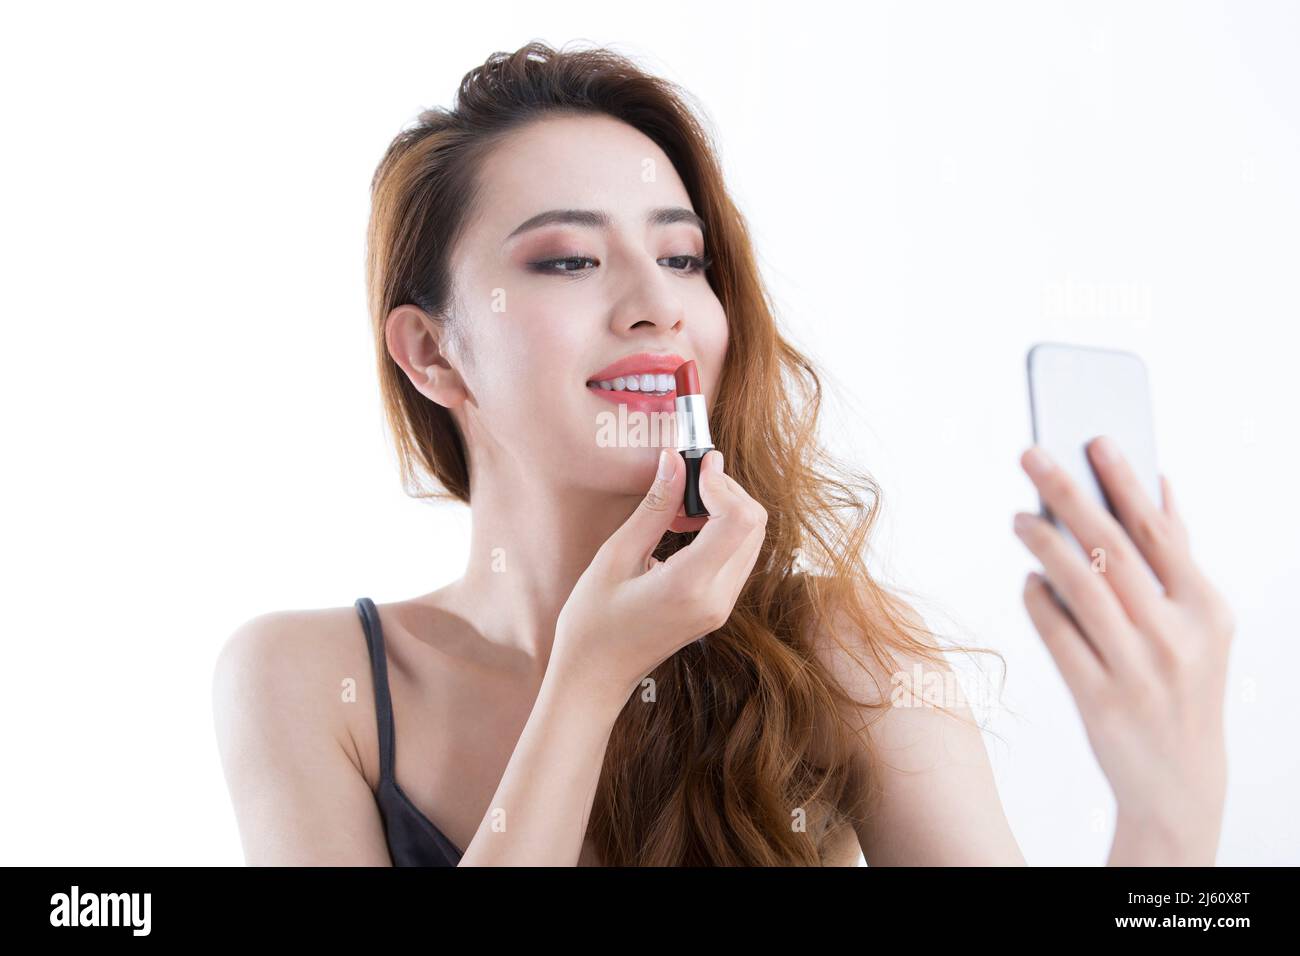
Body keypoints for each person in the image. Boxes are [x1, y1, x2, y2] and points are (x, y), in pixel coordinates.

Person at [212, 41, 1235, 866]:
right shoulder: (307, 677)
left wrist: (1168, 822)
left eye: (681, 257)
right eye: (569, 259)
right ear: (434, 350)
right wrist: (588, 679)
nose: (657, 304)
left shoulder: (833, 651)